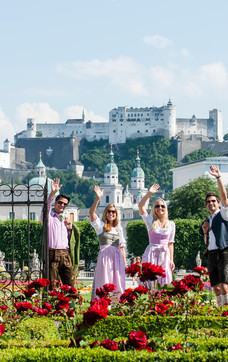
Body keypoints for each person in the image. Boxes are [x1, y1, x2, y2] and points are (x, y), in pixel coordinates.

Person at [89, 185, 127, 300]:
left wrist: (125, 264)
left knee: (118, 281)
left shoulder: (118, 228)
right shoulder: (100, 226)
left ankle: (118, 303)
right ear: (106, 213)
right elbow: (92, 213)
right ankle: (103, 302)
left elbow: (122, 247)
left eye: (114, 212)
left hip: (117, 257)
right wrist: (98, 199)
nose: (112, 214)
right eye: (109, 211)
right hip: (105, 256)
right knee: (104, 279)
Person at [42, 178, 80, 289]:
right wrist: (52, 194)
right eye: (60, 203)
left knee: (70, 284)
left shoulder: (64, 220)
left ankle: (71, 305)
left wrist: (69, 230)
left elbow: (69, 239)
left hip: (65, 253)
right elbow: (46, 208)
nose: (62, 205)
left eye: (64, 204)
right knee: (51, 285)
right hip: (52, 253)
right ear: (55, 203)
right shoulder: (49, 217)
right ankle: (51, 305)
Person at [200, 165, 228, 307]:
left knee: (224, 285)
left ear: (218, 204)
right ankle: (220, 310)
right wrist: (205, 231)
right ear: (206, 206)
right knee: (216, 287)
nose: (211, 203)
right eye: (208, 202)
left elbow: (224, 197)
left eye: (213, 201)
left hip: (223, 252)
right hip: (211, 253)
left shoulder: (223, 214)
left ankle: (226, 312)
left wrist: (218, 177)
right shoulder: (206, 221)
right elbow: (206, 241)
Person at [138, 184, 175, 287]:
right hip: (152, 252)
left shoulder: (171, 224)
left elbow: (170, 244)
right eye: (157, 206)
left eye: (162, 206)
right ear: (154, 208)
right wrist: (149, 193)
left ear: (166, 209)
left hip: (165, 253)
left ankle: (161, 302)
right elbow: (140, 206)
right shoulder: (150, 220)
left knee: (164, 280)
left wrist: (171, 260)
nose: (160, 208)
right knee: (151, 281)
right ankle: (151, 302)